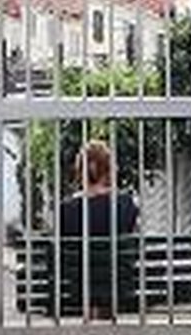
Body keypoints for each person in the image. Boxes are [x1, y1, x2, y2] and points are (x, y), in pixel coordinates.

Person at [51, 137, 141, 321]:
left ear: (81, 169)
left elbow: (59, 253)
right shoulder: (126, 204)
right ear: (108, 168)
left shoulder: (66, 209)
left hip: (78, 289)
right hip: (121, 285)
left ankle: (91, 320)